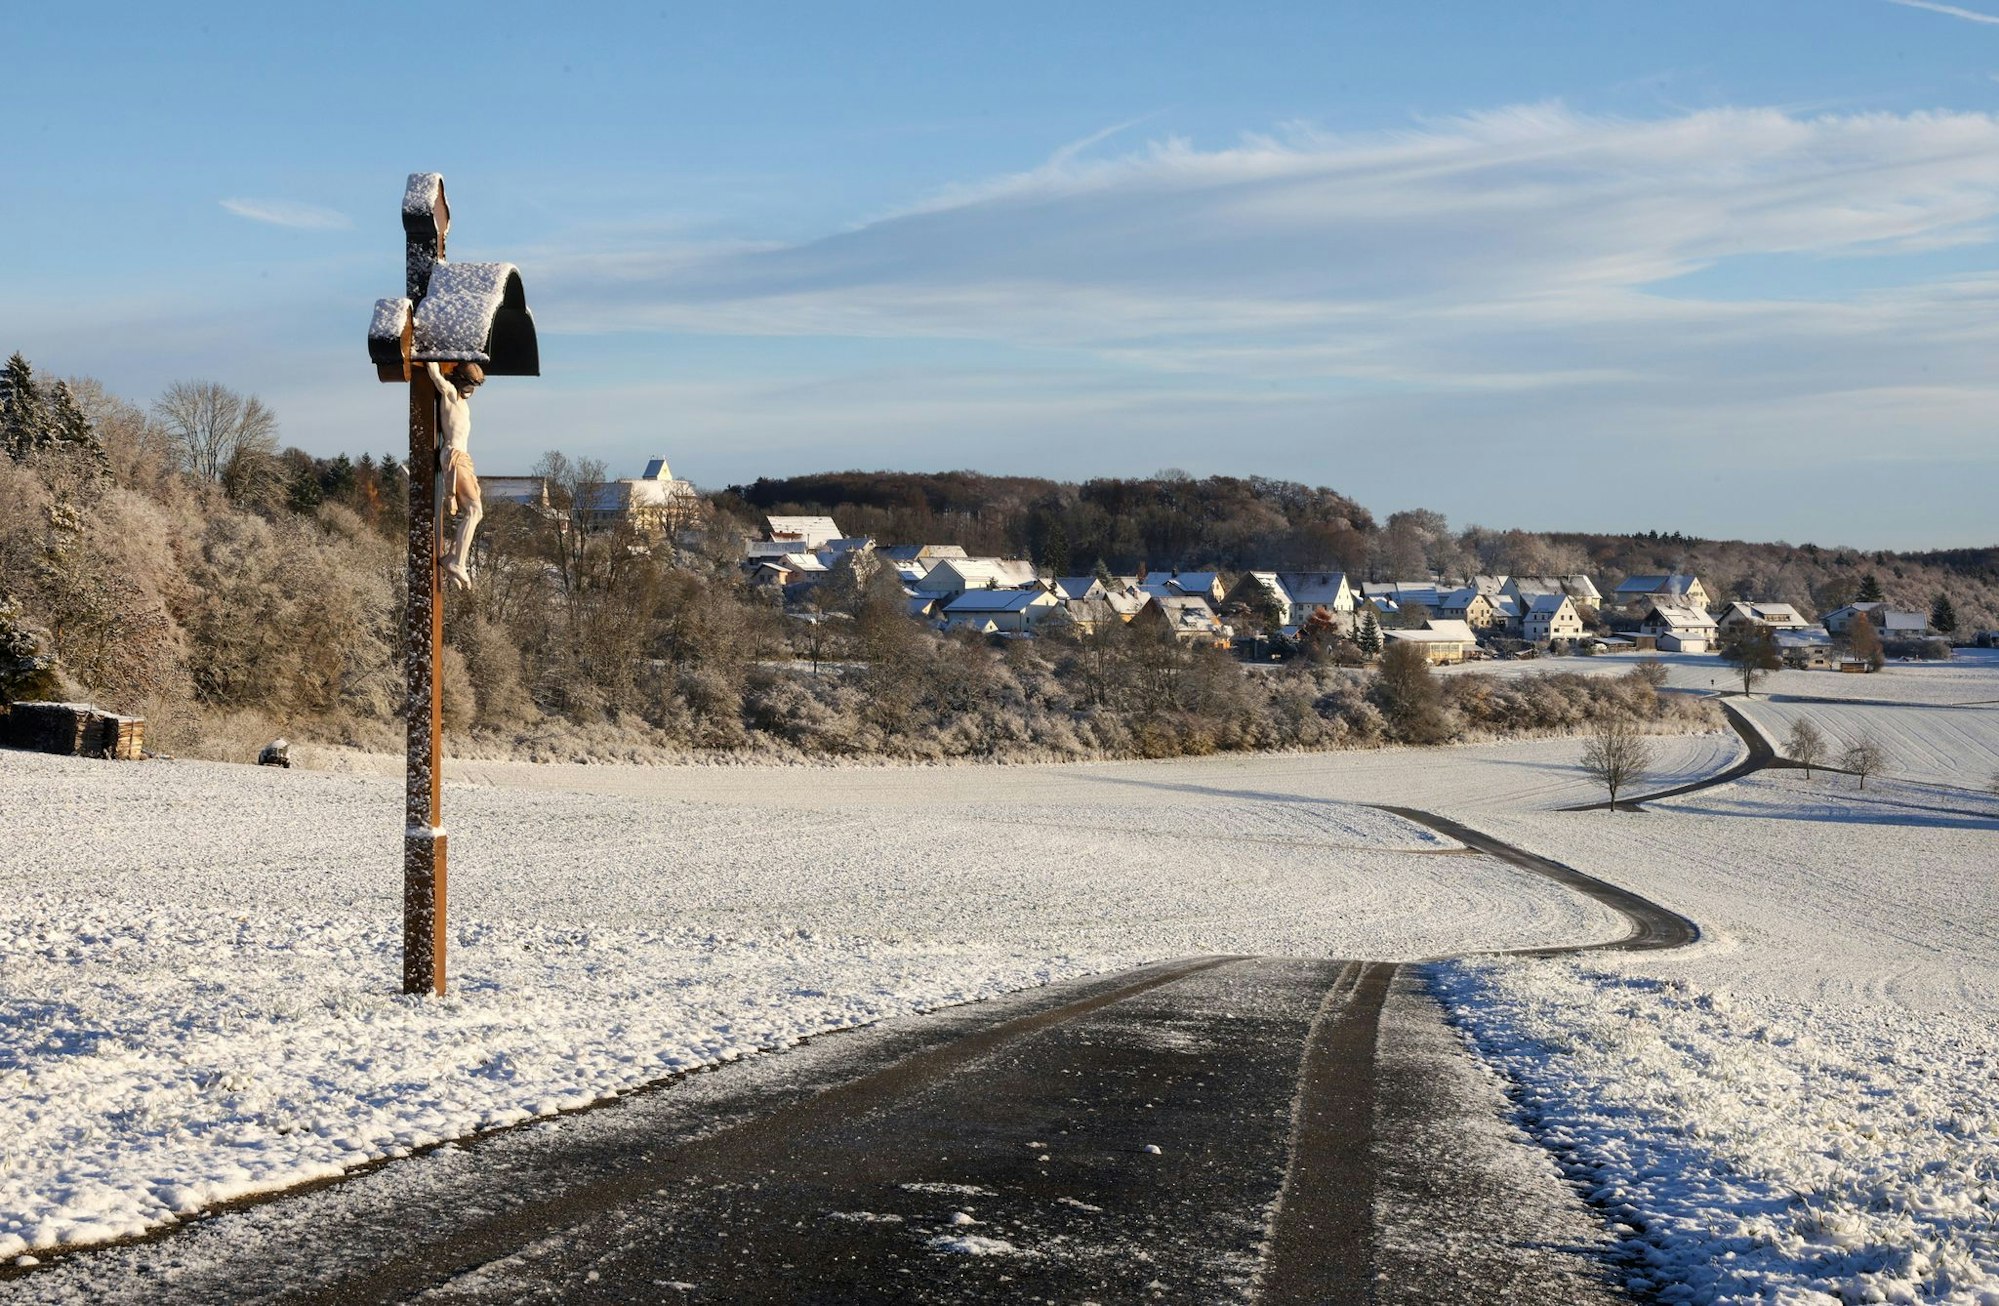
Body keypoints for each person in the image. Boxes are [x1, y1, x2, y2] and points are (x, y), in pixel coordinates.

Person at [426, 360, 484, 589]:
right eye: (469, 385)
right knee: (474, 510)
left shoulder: (463, 403)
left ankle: (453, 558)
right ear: (461, 382)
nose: (471, 391)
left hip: (463, 457)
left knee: (475, 512)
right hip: (454, 455)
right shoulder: (450, 393)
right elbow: (434, 373)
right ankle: (457, 562)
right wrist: (431, 351)